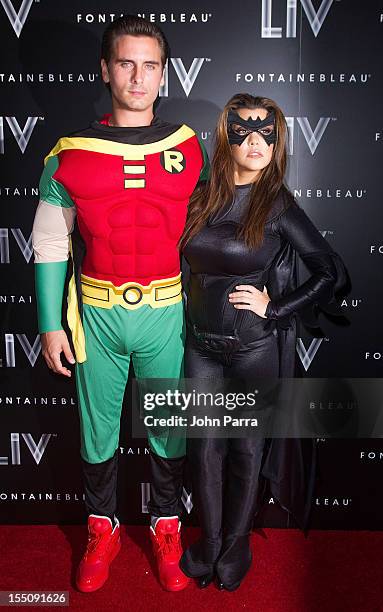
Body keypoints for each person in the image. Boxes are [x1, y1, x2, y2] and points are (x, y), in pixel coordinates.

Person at [32, 15, 208, 593]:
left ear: (164, 73)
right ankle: (102, 527)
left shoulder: (189, 148)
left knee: (168, 428)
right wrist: (47, 323)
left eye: (150, 64)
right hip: (96, 311)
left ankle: (165, 526)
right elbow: (53, 240)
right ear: (105, 69)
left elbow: (219, 229)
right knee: (97, 431)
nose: (138, 76)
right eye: (126, 62)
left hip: (167, 308)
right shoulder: (67, 154)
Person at [179, 93, 349, 591]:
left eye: (267, 134)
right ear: (225, 137)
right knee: (204, 450)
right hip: (199, 348)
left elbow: (329, 271)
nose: (256, 142)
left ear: (278, 143)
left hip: (254, 351)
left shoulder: (277, 204)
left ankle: (235, 546)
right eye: (245, 132)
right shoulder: (200, 195)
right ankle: (208, 543)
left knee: (246, 451)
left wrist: (275, 307)